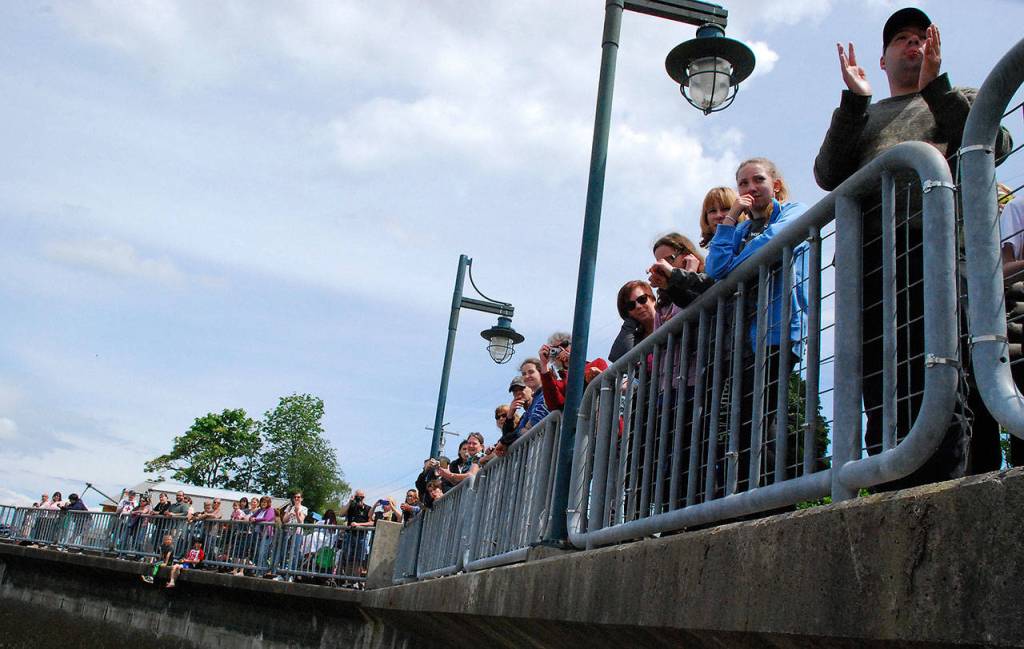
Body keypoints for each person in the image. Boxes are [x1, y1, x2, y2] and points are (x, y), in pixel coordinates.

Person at [814, 7, 1012, 482]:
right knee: (881, 386)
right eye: (901, 38)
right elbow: (827, 174)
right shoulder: (861, 116)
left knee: (946, 375)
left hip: (941, 256)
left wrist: (935, 87)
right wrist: (854, 101)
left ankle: (950, 488)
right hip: (870, 267)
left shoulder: (955, 96)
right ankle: (887, 489)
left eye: (921, 37)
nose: (913, 45)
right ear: (881, 60)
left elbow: (993, 140)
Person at [706, 157, 808, 490]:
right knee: (747, 419)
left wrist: (734, 267)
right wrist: (732, 216)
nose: (750, 188)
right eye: (743, 183)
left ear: (774, 184)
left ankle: (775, 493)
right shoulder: (741, 228)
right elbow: (715, 267)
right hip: (747, 339)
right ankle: (750, 493)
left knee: (769, 414)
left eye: (758, 180)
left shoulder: (793, 210)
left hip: (779, 331)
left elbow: (774, 242)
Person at [648, 233, 714, 319]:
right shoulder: (664, 299)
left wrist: (685, 273)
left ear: (685, 254)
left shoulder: (708, 270)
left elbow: (698, 296)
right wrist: (666, 286)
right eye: (660, 262)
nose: (664, 266)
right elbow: (686, 301)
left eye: (669, 259)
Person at [497, 360, 550, 451]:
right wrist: (509, 415)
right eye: (515, 391)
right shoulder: (526, 413)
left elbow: (534, 422)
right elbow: (512, 435)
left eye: (521, 388)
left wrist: (522, 430)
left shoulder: (546, 392)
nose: (518, 393)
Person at [609, 280, 657, 362]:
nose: (638, 306)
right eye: (630, 305)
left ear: (652, 299)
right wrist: (629, 324)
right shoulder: (635, 339)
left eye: (642, 299)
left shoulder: (670, 317)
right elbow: (617, 358)